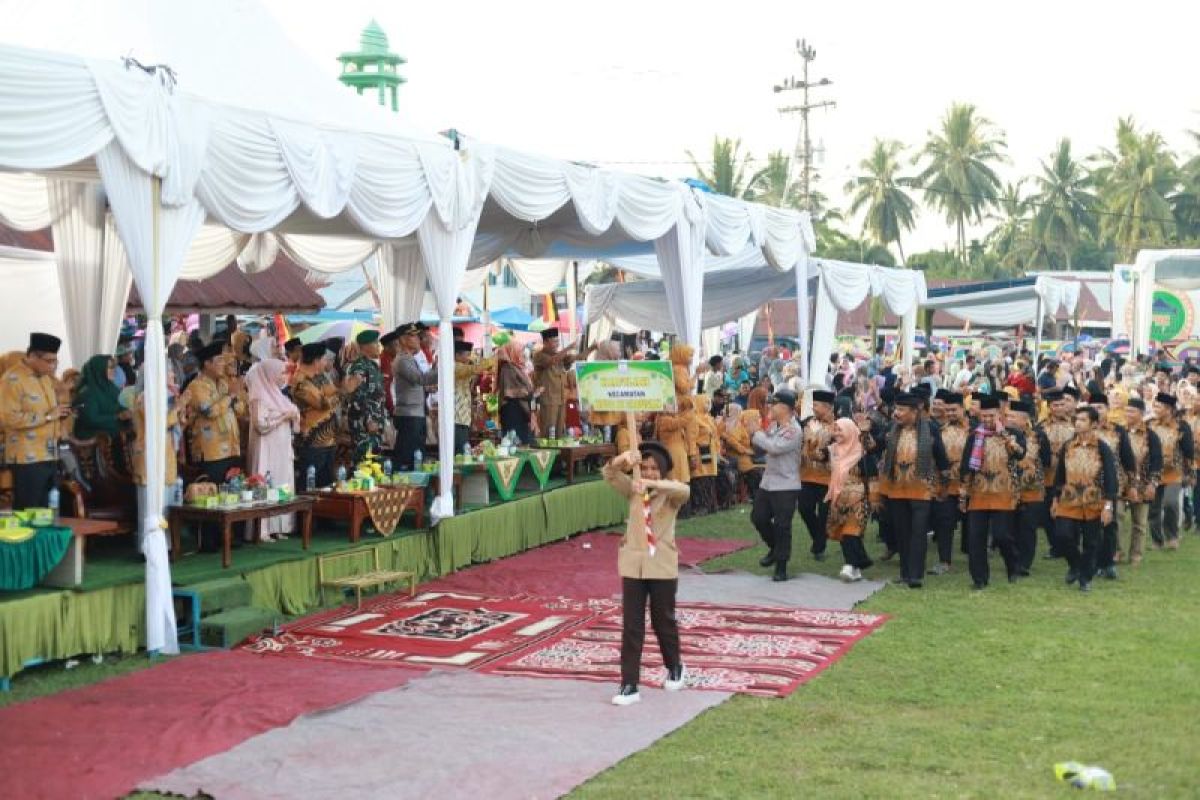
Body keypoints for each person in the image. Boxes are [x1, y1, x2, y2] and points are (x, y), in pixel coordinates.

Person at [603, 443, 689, 706]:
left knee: (663, 619)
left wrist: (656, 485)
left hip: (661, 564)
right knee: (632, 624)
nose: (649, 472)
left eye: (655, 468)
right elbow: (609, 474)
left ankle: (675, 666)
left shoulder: (670, 493)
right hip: (633, 563)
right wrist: (623, 459)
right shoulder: (633, 490)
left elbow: (684, 490)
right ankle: (629, 684)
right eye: (646, 467)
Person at [880, 392, 950, 588]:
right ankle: (904, 573)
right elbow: (875, 446)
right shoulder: (892, 428)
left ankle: (915, 575)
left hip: (922, 489)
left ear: (914, 412)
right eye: (896, 409)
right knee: (902, 532)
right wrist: (866, 433)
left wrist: (944, 484)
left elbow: (942, 457)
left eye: (901, 410)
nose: (897, 413)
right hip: (897, 488)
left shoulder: (930, 429)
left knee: (918, 532)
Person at [959, 394, 1026, 590]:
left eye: (991, 416)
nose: (987, 420)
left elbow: (1020, 454)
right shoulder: (974, 435)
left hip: (1004, 492)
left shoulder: (1012, 433)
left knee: (1002, 535)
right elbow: (966, 465)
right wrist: (963, 492)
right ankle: (979, 579)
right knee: (975, 538)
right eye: (984, 416)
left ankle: (1012, 564)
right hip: (979, 492)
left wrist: (1004, 435)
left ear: (999, 414)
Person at [1051, 406, 1119, 592]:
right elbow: (1060, 475)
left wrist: (1108, 506)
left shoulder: (1102, 448)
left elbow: (1111, 479)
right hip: (1069, 499)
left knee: (1091, 543)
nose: (1078, 423)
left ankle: (1085, 578)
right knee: (1062, 535)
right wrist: (1055, 499)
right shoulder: (1068, 446)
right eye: (1077, 419)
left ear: (1094, 424)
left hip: (1093, 501)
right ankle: (1075, 564)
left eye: (1083, 420)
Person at [1, 333, 68, 509]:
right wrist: (46, 417)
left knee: (47, 511)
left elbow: (49, 412)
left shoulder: (46, 378)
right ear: (31, 356)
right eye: (48, 361)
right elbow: (8, 418)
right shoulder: (12, 380)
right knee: (29, 511)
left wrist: (59, 415)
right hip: (27, 459)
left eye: (55, 361)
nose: (52, 366)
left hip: (49, 454)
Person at [750, 389, 802, 582]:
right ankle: (774, 548)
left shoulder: (793, 430)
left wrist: (756, 433)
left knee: (782, 526)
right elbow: (764, 445)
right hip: (769, 482)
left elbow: (774, 447)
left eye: (774, 404)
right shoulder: (774, 426)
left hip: (786, 485)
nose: (770, 407)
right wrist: (758, 436)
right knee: (758, 517)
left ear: (785, 407)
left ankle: (781, 566)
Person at [245, 358, 300, 541]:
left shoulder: (279, 395)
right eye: (280, 373)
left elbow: (295, 419)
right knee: (266, 481)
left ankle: (280, 526)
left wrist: (293, 415)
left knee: (281, 481)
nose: (283, 377)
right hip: (266, 447)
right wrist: (284, 416)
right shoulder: (258, 397)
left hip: (281, 448)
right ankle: (262, 530)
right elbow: (260, 424)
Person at [293, 342, 356, 487]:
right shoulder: (300, 381)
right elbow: (323, 403)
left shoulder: (320, 376)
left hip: (329, 440)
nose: (327, 363)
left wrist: (347, 372)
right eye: (324, 359)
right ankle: (306, 510)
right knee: (309, 484)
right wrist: (345, 391)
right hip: (312, 441)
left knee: (326, 484)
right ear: (316, 361)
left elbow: (334, 391)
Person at [826, 417, 878, 583]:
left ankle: (850, 565)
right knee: (843, 533)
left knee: (852, 532)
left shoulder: (862, 453)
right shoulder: (833, 450)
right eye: (835, 430)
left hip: (858, 498)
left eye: (840, 429)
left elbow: (873, 477)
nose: (837, 433)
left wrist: (874, 499)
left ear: (849, 431)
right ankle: (857, 566)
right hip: (838, 498)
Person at [1008, 400, 1051, 574]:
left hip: (1032, 490)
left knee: (1027, 527)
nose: (1008, 419)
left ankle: (1024, 563)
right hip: (1009, 490)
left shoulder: (1038, 436)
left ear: (1024, 420)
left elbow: (1046, 461)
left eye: (1012, 416)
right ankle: (1013, 560)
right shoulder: (1004, 435)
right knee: (1012, 527)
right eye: (1007, 416)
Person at [1148, 392, 1193, 551]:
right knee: (1153, 509)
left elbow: (1188, 451)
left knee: (1170, 503)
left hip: (1175, 473)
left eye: (1158, 406)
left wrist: (1190, 473)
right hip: (1153, 473)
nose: (1155, 408)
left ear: (1168, 409)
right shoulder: (1150, 425)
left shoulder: (1181, 426)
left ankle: (1172, 537)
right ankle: (1156, 540)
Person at [930, 391, 969, 575]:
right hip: (945, 485)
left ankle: (976, 557)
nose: (951, 413)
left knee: (973, 526)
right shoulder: (939, 430)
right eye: (948, 410)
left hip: (970, 485)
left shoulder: (974, 430)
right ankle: (944, 561)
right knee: (944, 523)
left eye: (954, 410)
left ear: (962, 409)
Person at [797, 389, 838, 562]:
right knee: (804, 509)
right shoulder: (806, 423)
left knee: (823, 514)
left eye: (816, 405)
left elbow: (838, 451)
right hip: (806, 475)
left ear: (827, 407)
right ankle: (819, 539)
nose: (813, 408)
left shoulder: (838, 426)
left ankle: (819, 545)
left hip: (828, 478)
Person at [392, 322, 438, 469]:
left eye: (418, 335)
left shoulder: (410, 358)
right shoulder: (403, 360)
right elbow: (420, 378)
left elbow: (418, 383)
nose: (418, 339)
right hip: (409, 414)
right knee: (408, 457)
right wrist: (438, 369)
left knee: (416, 455)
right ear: (403, 339)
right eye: (413, 336)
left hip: (415, 412)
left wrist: (427, 388)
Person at [1122, 398, 1162, 565]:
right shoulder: (1119, 432)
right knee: (1116, 518)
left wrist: (1153, 483)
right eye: (1127, 410)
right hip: (1121, 483)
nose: (1128, 414)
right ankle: (1117, 553)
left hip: (1143, 483)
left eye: (1132, 411)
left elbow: (1157, 460)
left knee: (1139, 523)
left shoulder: (1151, 435)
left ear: (1141, 414)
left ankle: (1136, 556)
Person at [1038, 389, 1076, 558]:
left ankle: (1070, 545)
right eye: (1056, 405)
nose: (1060, 408)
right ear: (1049, 407)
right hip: (1048, 477)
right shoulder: (1042, 426)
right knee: (1048, 515)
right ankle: (1056, 547)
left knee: (1069, 513)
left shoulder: (1076, 424)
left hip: (1071, 477)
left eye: (1062, 404)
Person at [345, 330, 389, 462]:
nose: (379, 346)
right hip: (364, 424)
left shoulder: (372, 365)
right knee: (364, 462)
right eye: (375, 343)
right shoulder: (359, 366)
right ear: (364, 346)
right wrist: (368, 419)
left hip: (375, 422)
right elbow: (356, 395)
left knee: (373, 462)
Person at [532, 328, 575, 438]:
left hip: (561, 398)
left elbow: (575, 358)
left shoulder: (559, 355)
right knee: (548, 430)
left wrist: (591, 348)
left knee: (559, 431)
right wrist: (568, 348)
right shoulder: (539, 355)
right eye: (554, 341)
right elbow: (551, 361)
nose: (557, 344)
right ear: (545, 342)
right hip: (548, 398)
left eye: (558, 341)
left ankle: (560, 454)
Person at [73, 354, 126, 440]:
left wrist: (126, 411)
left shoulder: (111, 388)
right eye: (110, 368)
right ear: (99, 370)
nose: (114, 371)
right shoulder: (87, 393)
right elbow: (91, 419)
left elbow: (120, 405)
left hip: (109, 430)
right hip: (93, 437)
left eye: (114, 367)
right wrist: (117, 416)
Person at [497, 340, 538, 445]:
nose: (522, 355)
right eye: (519, 352)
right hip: (512, 411)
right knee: (514, 442)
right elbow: (511, 391)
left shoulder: (518, 368)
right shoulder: (508, 368)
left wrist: (532, 393)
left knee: (523, 441)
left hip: (520, 410)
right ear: (512, 352)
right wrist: (532, 394)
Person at [689, 394, 721, 514]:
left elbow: (716, 436)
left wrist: (718, 452)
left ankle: (711, 505)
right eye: (705, 402)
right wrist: (692, 454)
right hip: (699, 453)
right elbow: (691, 438)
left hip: (710, 453)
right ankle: (701, 507)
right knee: (700, 479)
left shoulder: (709, 418)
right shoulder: (694, 419)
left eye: (709, 402)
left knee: (710, 479)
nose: (708, 405)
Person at [452, 339, 482, 454]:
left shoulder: (463, 366)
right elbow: (475, 369)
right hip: (456, 416)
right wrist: (490, 361)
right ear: (457, 355)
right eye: (467, 355)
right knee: (460, 450)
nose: (469, 357)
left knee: (463, 449)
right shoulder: (455, 366)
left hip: (463, 416)